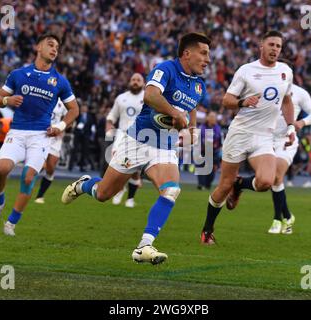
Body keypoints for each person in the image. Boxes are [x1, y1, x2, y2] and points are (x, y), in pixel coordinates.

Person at [61, 32, 211, 264]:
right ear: (187, 53)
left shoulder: (199, 86)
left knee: (171, 190)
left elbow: (191, 110)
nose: (207, 59)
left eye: (209, 54)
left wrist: (191, 130)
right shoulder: (166, 69)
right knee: (103, 194)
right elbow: (150, 96)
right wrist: (174, 113)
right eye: (203, 53)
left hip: (165, 146)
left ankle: (144, 246)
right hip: (138, 141)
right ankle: (84, 184)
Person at [200, 30, 295, 245]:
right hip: (240, 133)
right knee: (223, 185)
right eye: (271, 44)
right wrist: (243, 102)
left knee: (266, 182)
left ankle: (240, 185)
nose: (275, 49)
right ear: (261, 46)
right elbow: (226, 100)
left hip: (264, 136)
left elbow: (287, 101)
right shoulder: (246, 71)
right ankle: (207, 230)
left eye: (278, 46)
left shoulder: (285, 72)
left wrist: (290, 127)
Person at [0, 33, 79, 236]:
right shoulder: (18, 74)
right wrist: (7, 101)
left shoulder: (60, 82)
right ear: (38, 47)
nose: (54, 49)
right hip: (17, 132)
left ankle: (11, 223)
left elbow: (74, 109)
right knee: (1, 169)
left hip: (41, 136)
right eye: (50, 45)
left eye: (57, 47)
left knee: (29, 178)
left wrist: (61, 127)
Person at [266, 79, 311, 234]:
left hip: (286, 140)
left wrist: (302, 122)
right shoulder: (267, 88)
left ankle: (277, 219)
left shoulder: (300, 92)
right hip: (265, 139)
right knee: (271, 180)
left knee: (276, 176)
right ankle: (288, 216)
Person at [106, 73, 145, 208]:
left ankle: (130, 198)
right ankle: (120, 189)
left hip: (141, 136)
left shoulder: (148, 98)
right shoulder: (121, 98)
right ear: (129, 82)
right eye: (133, 79)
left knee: (134, 169)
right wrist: (109, 124)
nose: (135, 82)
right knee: (118, 163)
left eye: (138, 80)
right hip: (122, 135)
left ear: (143, 83)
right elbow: (112, 115)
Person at [34, 99, 68, 204]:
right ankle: (28, 190)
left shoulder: (64, 101)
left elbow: (70, 118)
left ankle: (40, 196)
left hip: (55, 137)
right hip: (41, 134)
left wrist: (62, 129)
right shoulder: (44, 94)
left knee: (50, 169)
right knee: (39, 165)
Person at [196, 111, 222, 190]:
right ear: (207, 118)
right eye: (211, 116)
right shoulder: (202, 127)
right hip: (202, 151)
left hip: (214, 152)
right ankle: (201, 185)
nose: (212, 118)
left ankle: (207, 184)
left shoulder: (217, 128)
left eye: (214, 117)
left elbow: (219, 141)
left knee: (211, 171)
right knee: (201, 167)